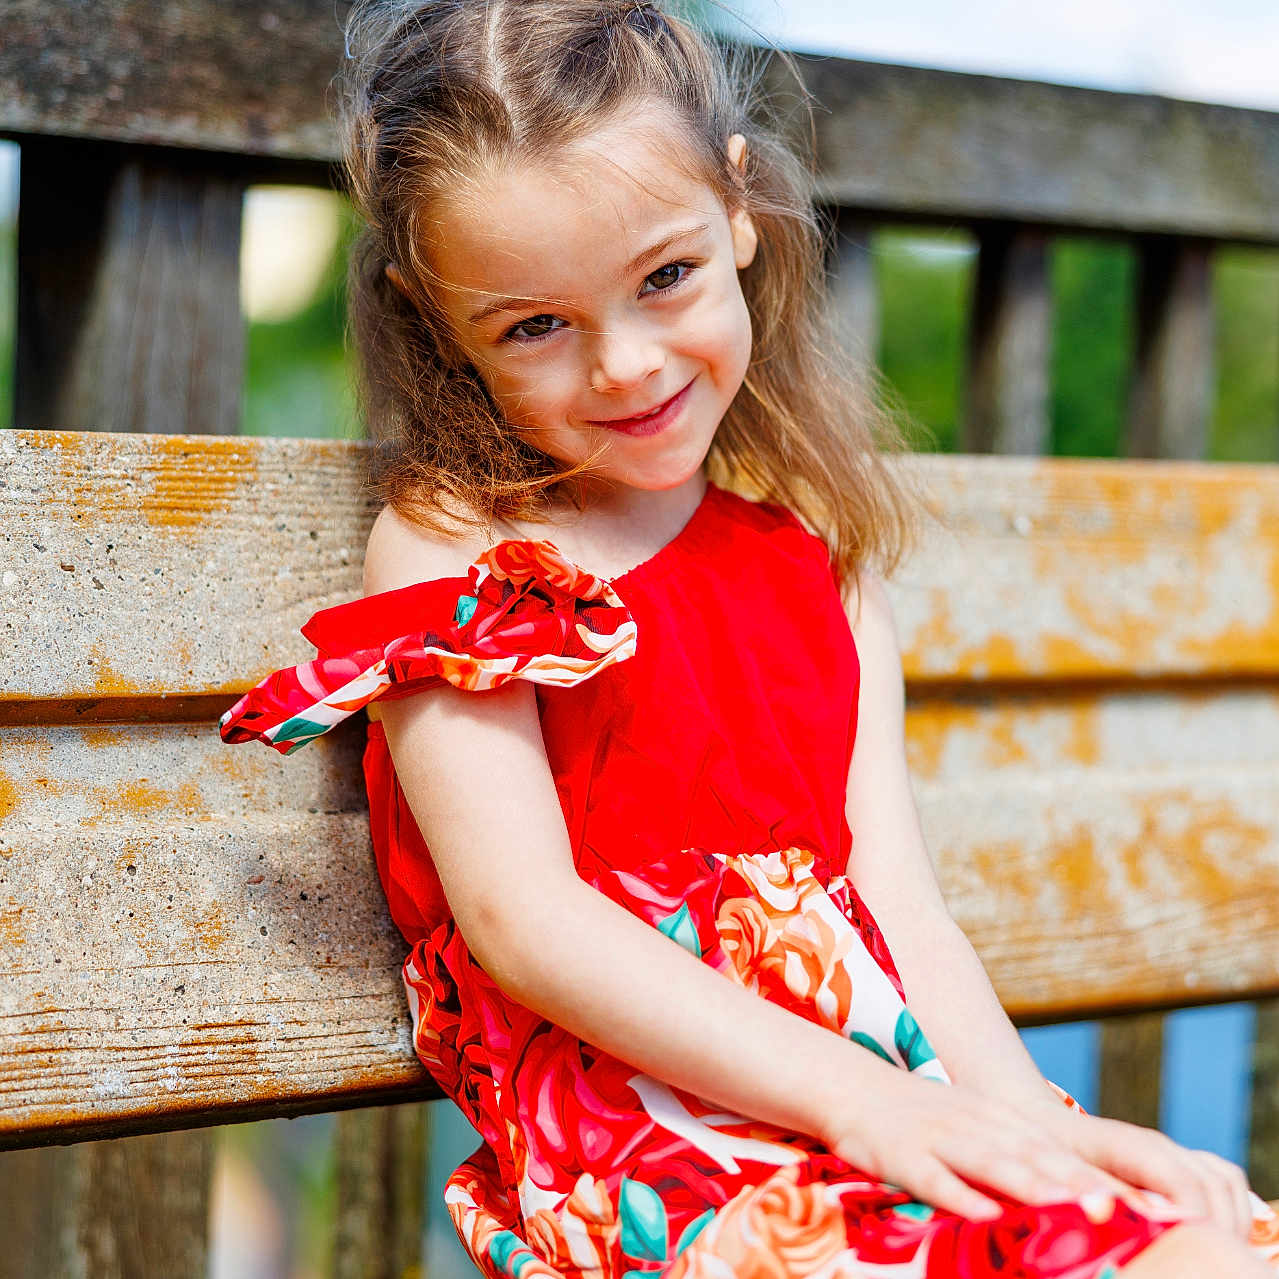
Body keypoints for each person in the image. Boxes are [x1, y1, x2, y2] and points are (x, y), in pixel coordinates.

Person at [221, 1, 1279, 1274]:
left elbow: (897, 908)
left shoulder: (809, 557)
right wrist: (859, 1103)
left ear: (738, 209)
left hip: (881, 1109)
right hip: (666, 1149)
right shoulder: (461, 550)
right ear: (433, 315)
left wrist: (1038, 1131)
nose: (623, 365)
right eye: (533, 326)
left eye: (664, 278)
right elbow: (522, 918)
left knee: (1207, 1240)